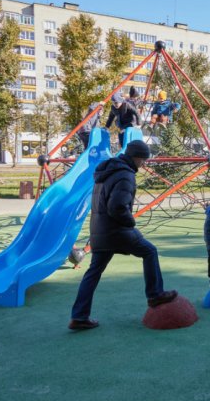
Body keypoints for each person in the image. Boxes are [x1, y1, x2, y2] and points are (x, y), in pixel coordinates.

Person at [69, 140, 177, 330]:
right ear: (136, 157)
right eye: (143, 160)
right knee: (150, 251)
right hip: (116, 230)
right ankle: (155, 295)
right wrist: (130, 221)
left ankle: (79, 316)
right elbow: (117, 207)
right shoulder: (125, 176)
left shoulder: (106, 171)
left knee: (93, 272)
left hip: (99, 231)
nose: (144, 164)